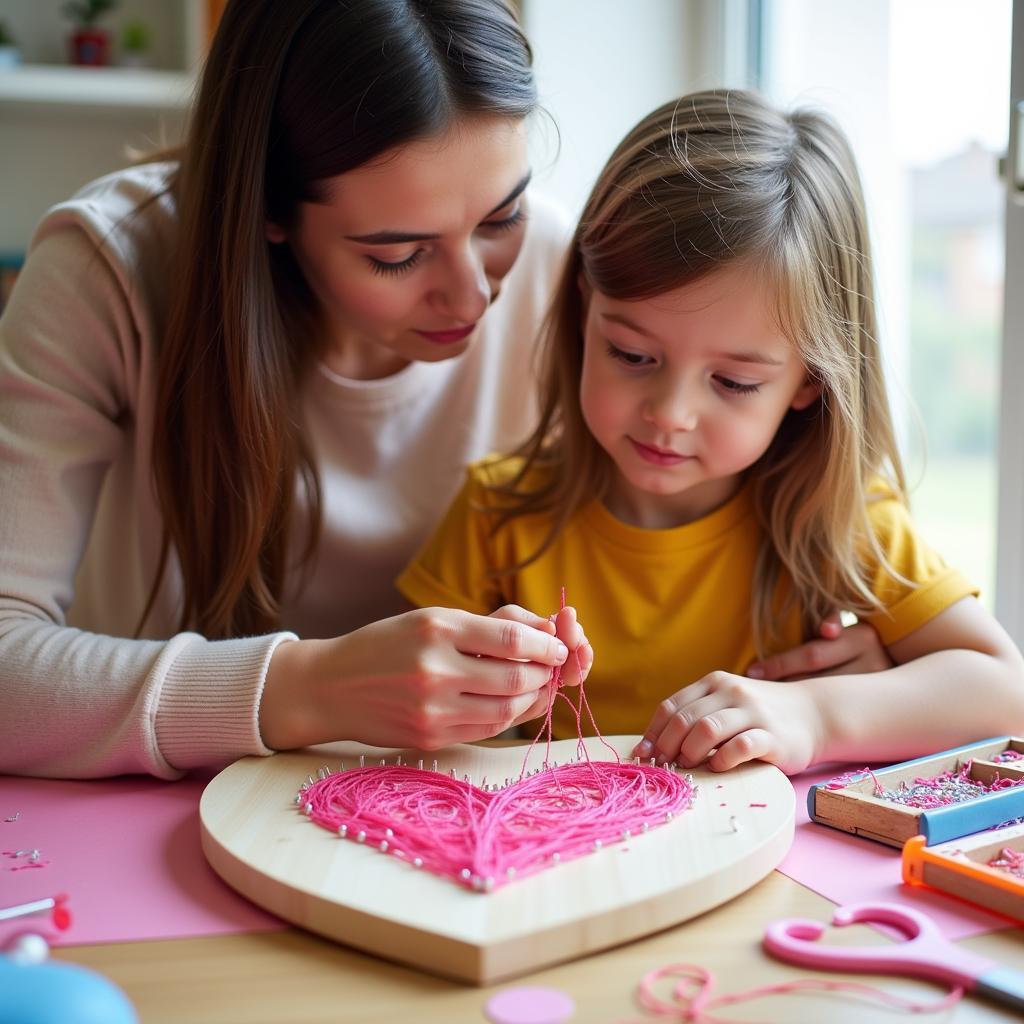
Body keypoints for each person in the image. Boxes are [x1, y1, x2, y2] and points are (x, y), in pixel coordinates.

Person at [0, 2, 882, 781]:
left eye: (502, 217)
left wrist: (844, 689)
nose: (475, 297)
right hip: (146, 813)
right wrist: (304, 689)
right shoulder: (108, 272)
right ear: (267, 208)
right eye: (397, 253)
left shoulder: (585, 290)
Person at [398, 90, 1024, 776]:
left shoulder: (839, 520)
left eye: (733, 383)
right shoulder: (498, 511)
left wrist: (816, 715)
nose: (670, 413)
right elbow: (403, 714)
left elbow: (1005, 691)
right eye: (633, 356)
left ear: (809, 382)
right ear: (585, 311)